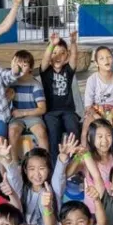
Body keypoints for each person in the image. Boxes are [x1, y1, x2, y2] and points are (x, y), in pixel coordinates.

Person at [40, 31, 81, 168]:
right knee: (53, 134)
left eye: (62, 53)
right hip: (51, 112)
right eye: (54, 52)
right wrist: (52, 44)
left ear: (66, 57)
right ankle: (53, 165)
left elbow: (75, 56)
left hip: (68, 111)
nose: (57, 56)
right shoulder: (46, 71)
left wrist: (73, 43)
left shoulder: (68, 70)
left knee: (73, 129)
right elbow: (45, 59)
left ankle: (75, 163)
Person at [7, 50, 50, 159]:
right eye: (18, 64)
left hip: (33, 116)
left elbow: (42, 109)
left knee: (41, 132)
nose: (20, 67)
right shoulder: (12, 83)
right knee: (12, 132)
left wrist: (23, 113)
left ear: (31, 68)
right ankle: (15, 164)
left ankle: (45, 162)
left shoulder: (35, 85)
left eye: (24, 65)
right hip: (17, 117)